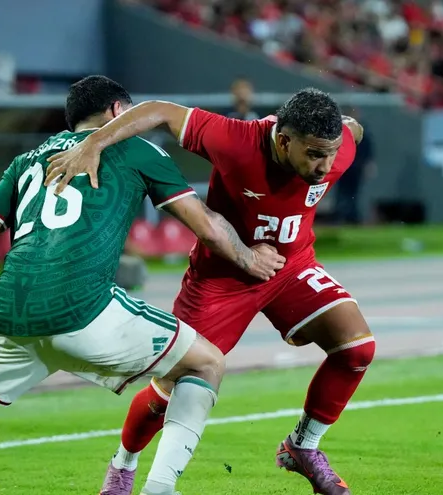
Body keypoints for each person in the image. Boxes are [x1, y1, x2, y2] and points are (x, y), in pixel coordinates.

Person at [0, 75, 285, 495]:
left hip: (9, 315)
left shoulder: (28, 159)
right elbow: (206, 226)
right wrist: (250, 257)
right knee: (206, 364)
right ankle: (160, 486)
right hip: (84, 310)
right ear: (118, 111)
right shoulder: (136, 149)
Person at [46, 87, 373, 495]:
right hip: (220, 279)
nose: (325, 166)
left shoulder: (337, 147)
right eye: (314, 154)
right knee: (169, 388)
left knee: (357, 348)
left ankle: (303, 447)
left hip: (291, 268)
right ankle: (122, 468)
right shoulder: (235, 139)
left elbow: (353, 130)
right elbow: (161, 111)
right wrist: (94, 141)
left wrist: (348, 131)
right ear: (284, 140)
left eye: (331, 152)